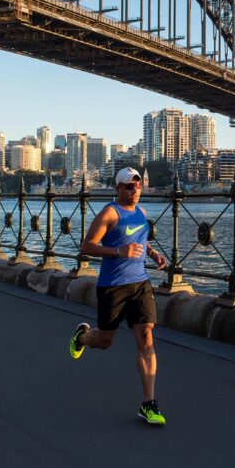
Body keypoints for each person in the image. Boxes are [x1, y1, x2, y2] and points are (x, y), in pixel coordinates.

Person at [68, 166, 168, 425]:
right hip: (112, 286)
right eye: (128, 186)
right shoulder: (109, 213)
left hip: (140, 284)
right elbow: (87, 246)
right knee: (104, 341)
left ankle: (148, 404)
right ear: (118, 189)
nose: (134, 189)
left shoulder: (141, 212)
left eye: (137, 185)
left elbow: (140, 239)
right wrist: (118, 252)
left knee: (146, 337)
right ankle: (83, 336)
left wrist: (153, 253)